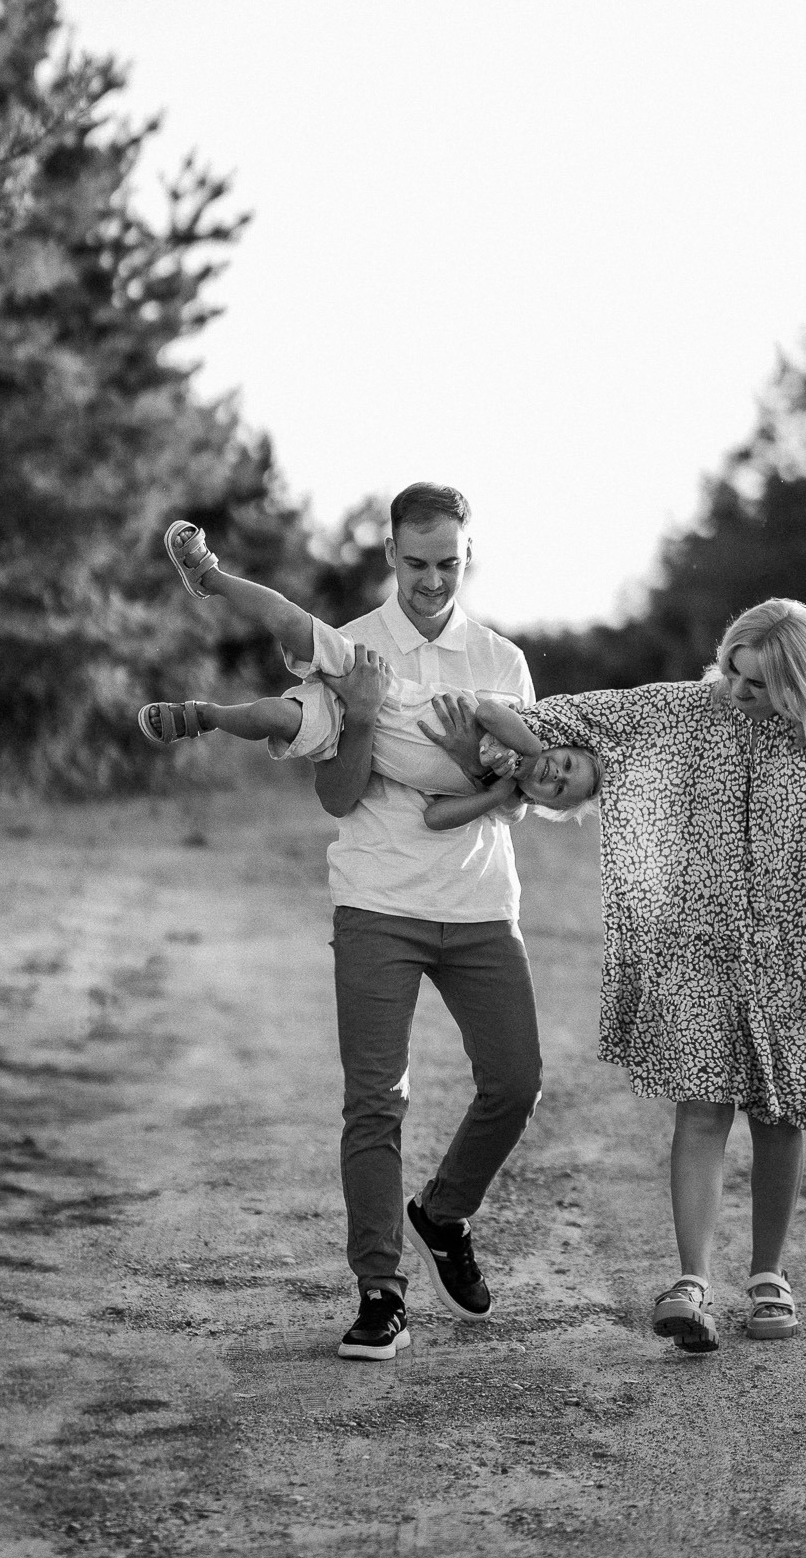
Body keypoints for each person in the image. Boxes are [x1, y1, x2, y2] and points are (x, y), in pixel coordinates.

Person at [421, 597, 806, 1354]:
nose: (735, 691)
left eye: (757, 684)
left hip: (791, 956)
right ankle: (691, 1284)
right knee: (702, 1112)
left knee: (780, 1117)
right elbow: (552, 720)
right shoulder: (672, 710)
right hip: (691, 953)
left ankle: (769, 1278)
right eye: (732, 671)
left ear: (800, 686)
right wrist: (497, 748)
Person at [159, 485, 545, 1362]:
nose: (432, 580)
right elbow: (338, 795)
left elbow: (519, 800)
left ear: (467, 557)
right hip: (377, 902)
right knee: (375, 1101)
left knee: (515, 1083)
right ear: (390, 556)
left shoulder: (502, 661)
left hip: (481, 906)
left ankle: (442, 1215)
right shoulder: (353, 650)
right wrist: (363, 715)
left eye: (448, 563)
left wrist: (465, 762)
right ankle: (380, 1291)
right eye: (416, 563)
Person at [138, 536, 600, 823]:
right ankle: (211, 577)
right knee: (296, 624)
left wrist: (491, 789)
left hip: (357, 732)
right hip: (382, 685)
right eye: (566, 764)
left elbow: (436, 817)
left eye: (560, 790)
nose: (554, 774)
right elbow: (489, 712)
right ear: (561, 745)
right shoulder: (523, 724)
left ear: (549, 807)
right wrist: (529, 751)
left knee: (272, 716)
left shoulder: (506, 803)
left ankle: (207, 716)